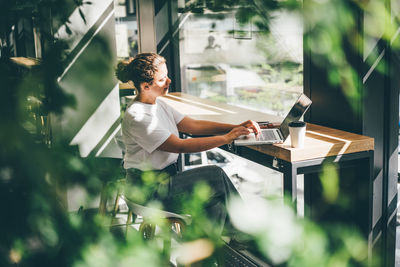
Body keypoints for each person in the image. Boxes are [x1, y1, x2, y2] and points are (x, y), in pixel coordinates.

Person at [115, 52, 260, 235]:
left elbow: (193, 125)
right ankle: (243, 236)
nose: (169, 81)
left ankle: (210, 254)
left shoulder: (159, 105)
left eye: (166, 75)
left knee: (214, 202)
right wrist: (227, 138)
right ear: (145, 86)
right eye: (162, 79)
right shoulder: (138, 116)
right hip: (147, 192)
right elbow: (180, 146)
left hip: (165, 181)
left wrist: (235, 127)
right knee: (215, 175)